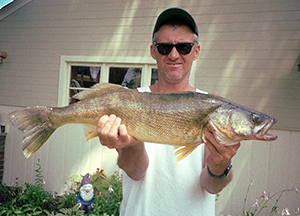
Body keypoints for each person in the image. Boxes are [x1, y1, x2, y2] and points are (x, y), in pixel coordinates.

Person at [97, 8, 240, 216]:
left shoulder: (213, 106)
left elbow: (211, 186)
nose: (174, 55)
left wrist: (221, 164)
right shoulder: (131, 100)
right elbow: (136, 173)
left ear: (196, 51)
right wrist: (132, 143)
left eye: (184, 47)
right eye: (164, 47)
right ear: (153, 51)